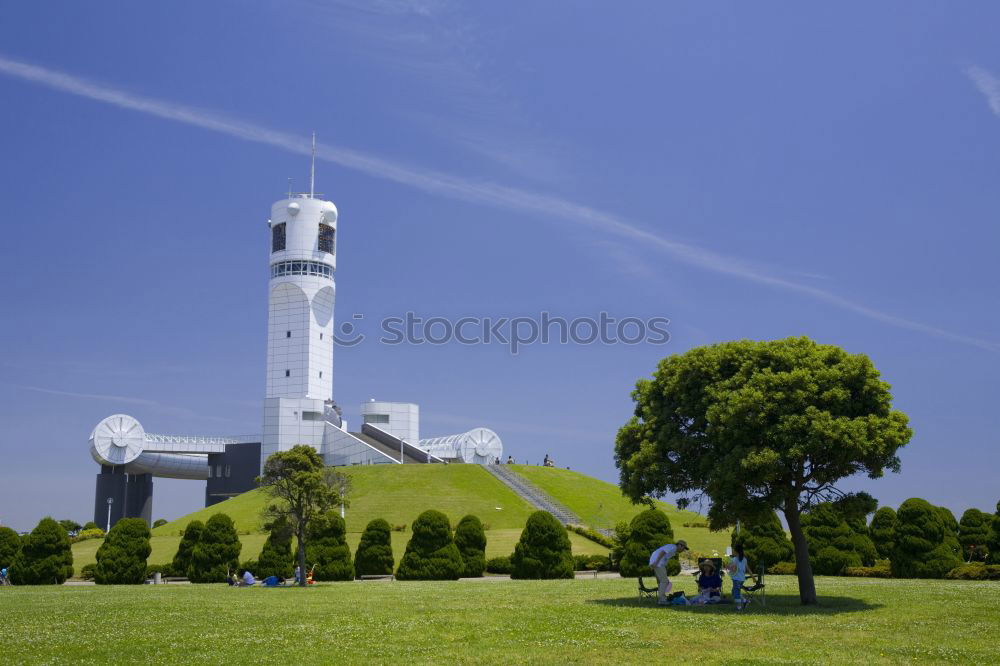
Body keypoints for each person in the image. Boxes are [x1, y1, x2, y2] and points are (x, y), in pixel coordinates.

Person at [648, 540, 687, 605]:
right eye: (684, 548)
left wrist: (653, 563)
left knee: (661, 582)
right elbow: (662, 552)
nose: (683, 550)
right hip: (658, 563)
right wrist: (656, 563)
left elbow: (662, 555)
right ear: (680, 545)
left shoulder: (673, 549)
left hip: (657, 563)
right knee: (664, 581)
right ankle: (662, 600)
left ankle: (661, 599)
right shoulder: (673, 547)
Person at [728, 544, 753, 609]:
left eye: (733, 550)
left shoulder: (734, 559)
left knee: (736, 593)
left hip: (736, 579)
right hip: (742, 579)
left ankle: (738, 607)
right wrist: (753, 577)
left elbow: (732, 569)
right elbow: (748, 569)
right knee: (734, 592)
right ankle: (745, 601)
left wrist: (728, 567)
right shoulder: (744, 559)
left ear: (736, 551)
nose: (732, 551)